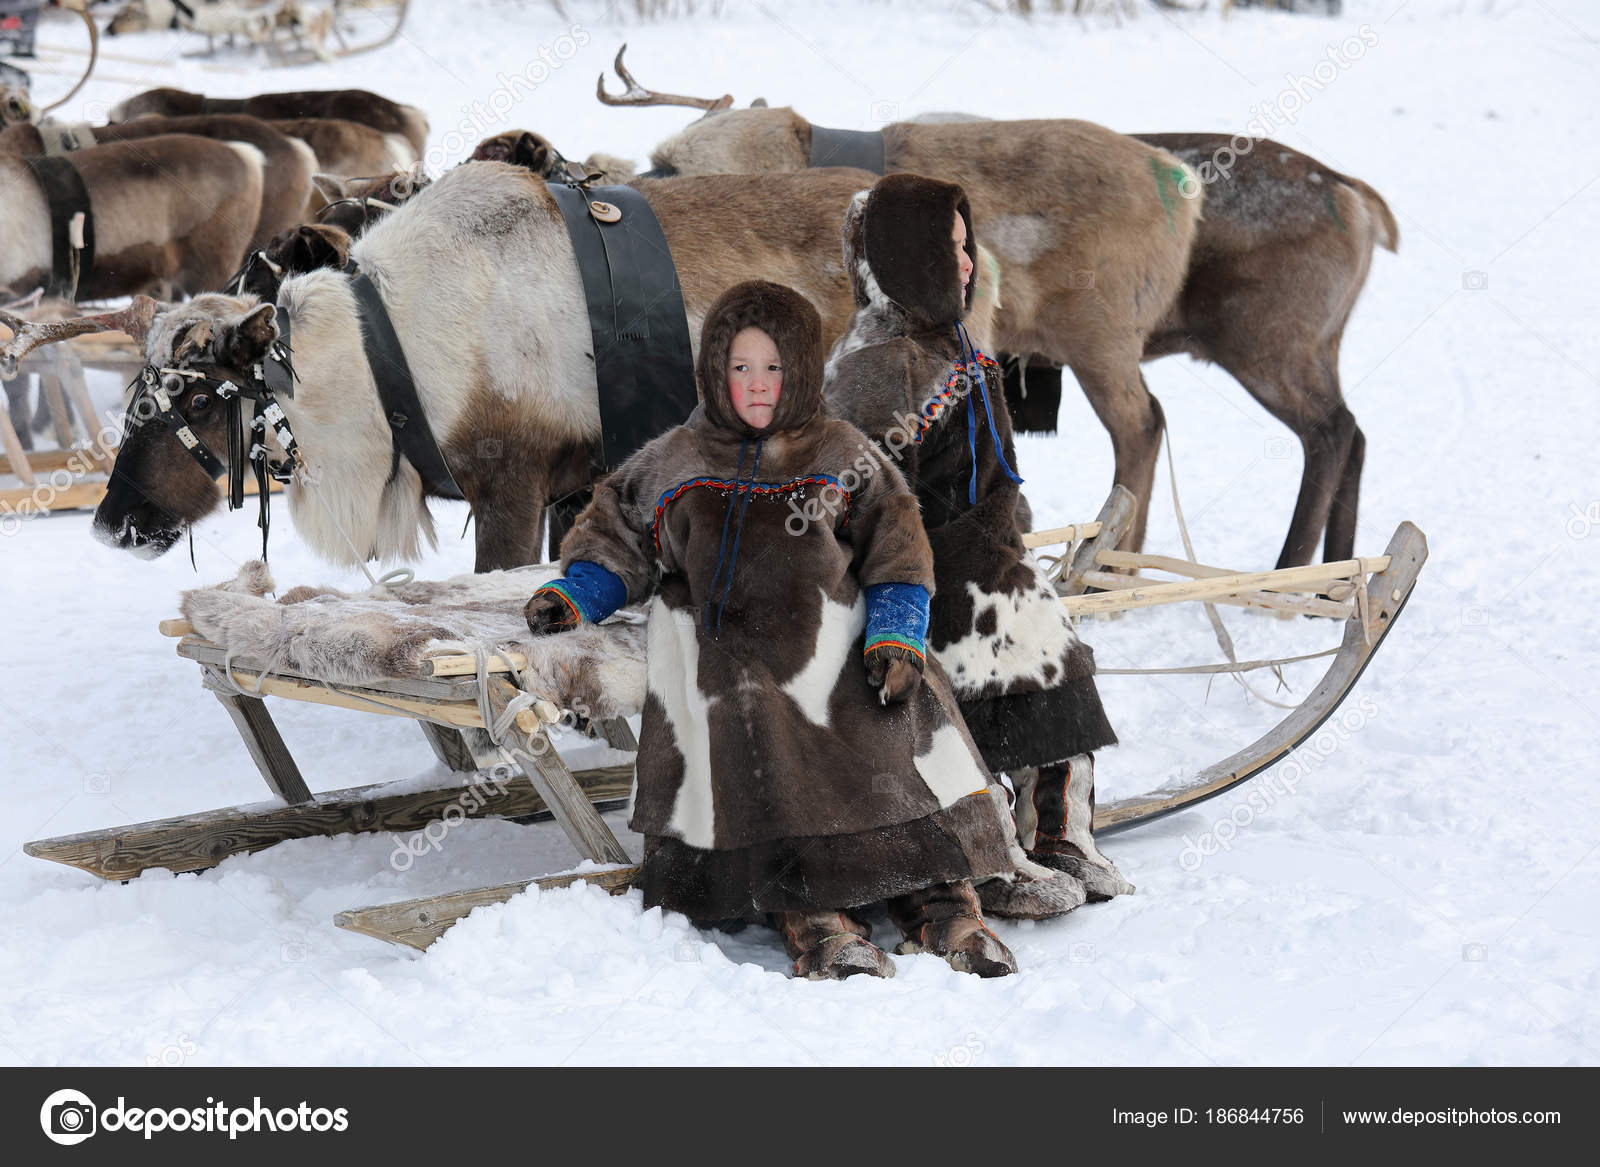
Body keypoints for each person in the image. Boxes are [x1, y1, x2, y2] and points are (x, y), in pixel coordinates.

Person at [524, 279, 1023, 980]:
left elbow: (897, 544)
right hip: (725, 647)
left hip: (836, 631)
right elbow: (621, 531)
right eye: (740, 368)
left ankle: (946, 905)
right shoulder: (677, 456)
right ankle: (817, 922)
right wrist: (581, 592)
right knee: (763, 743)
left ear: (799, 373)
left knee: (893, 735)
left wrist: (898, 628)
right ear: (714, 372)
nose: (757, 386)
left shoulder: (842, 450)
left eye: (773, 368)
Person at [822, 173, 1134, 903]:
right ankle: (985, 852)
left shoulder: (947, 341)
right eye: (949, 251)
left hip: (983, 561)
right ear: (904, 260)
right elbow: (860, 504)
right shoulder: (877, 367)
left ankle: (1058, 831)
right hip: (920, 574)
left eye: (968, 246)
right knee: (979, 675)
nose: (969, 265)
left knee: (1049, 650)